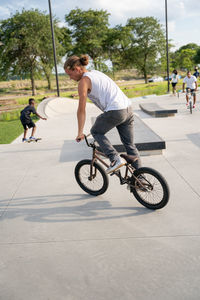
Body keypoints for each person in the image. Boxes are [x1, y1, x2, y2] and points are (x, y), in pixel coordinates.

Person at [64, 55, 141, 174]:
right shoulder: (96, 72)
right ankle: (140, 177)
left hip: (116, 110)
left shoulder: (84, 82)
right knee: (130, 145)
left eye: (70, 74)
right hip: (128, 108)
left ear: (77, 69)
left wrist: (80, 132)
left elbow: (81, 109)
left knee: (96, 131)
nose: (70, 78)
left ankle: (114, 158)